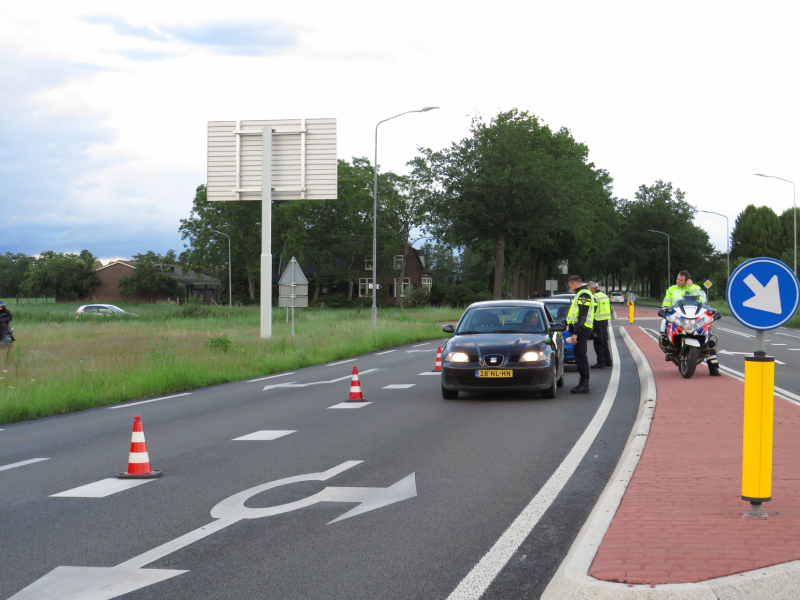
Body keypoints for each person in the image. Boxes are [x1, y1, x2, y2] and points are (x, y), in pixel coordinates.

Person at [660, 271, 720, 376]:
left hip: (694, 316)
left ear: (687, 280)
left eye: (681, 280)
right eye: (677, 279)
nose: (678, 281)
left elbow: (703, 300)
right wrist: (665, 309)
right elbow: (666, 303)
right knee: (664, 322)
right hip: (678, 315)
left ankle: (713, 368)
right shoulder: (672, 289)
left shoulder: (695, 288)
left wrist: (691, 286)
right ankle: (667, 346)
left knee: (709, 337)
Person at [565, 275, 595, 393]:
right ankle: (583, 382)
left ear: (574, 284)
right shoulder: (581, 294)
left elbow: (582, 316)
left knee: (581, 356)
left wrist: (575, 333)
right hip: (581, 329)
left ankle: (584, 384)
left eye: (570, 287)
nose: (571, 289)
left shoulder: (584, 295)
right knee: (580, 356)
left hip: (582, 329)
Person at [588, 282, 612, 369]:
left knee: (598, 342)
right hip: (605, 320)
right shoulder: (604, 295)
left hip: (597, 321)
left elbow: (592, 310)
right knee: (604, 341)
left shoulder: (594, 297)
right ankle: (608, 361)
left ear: (592, 289)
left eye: (589, 289)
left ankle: (601, 362)